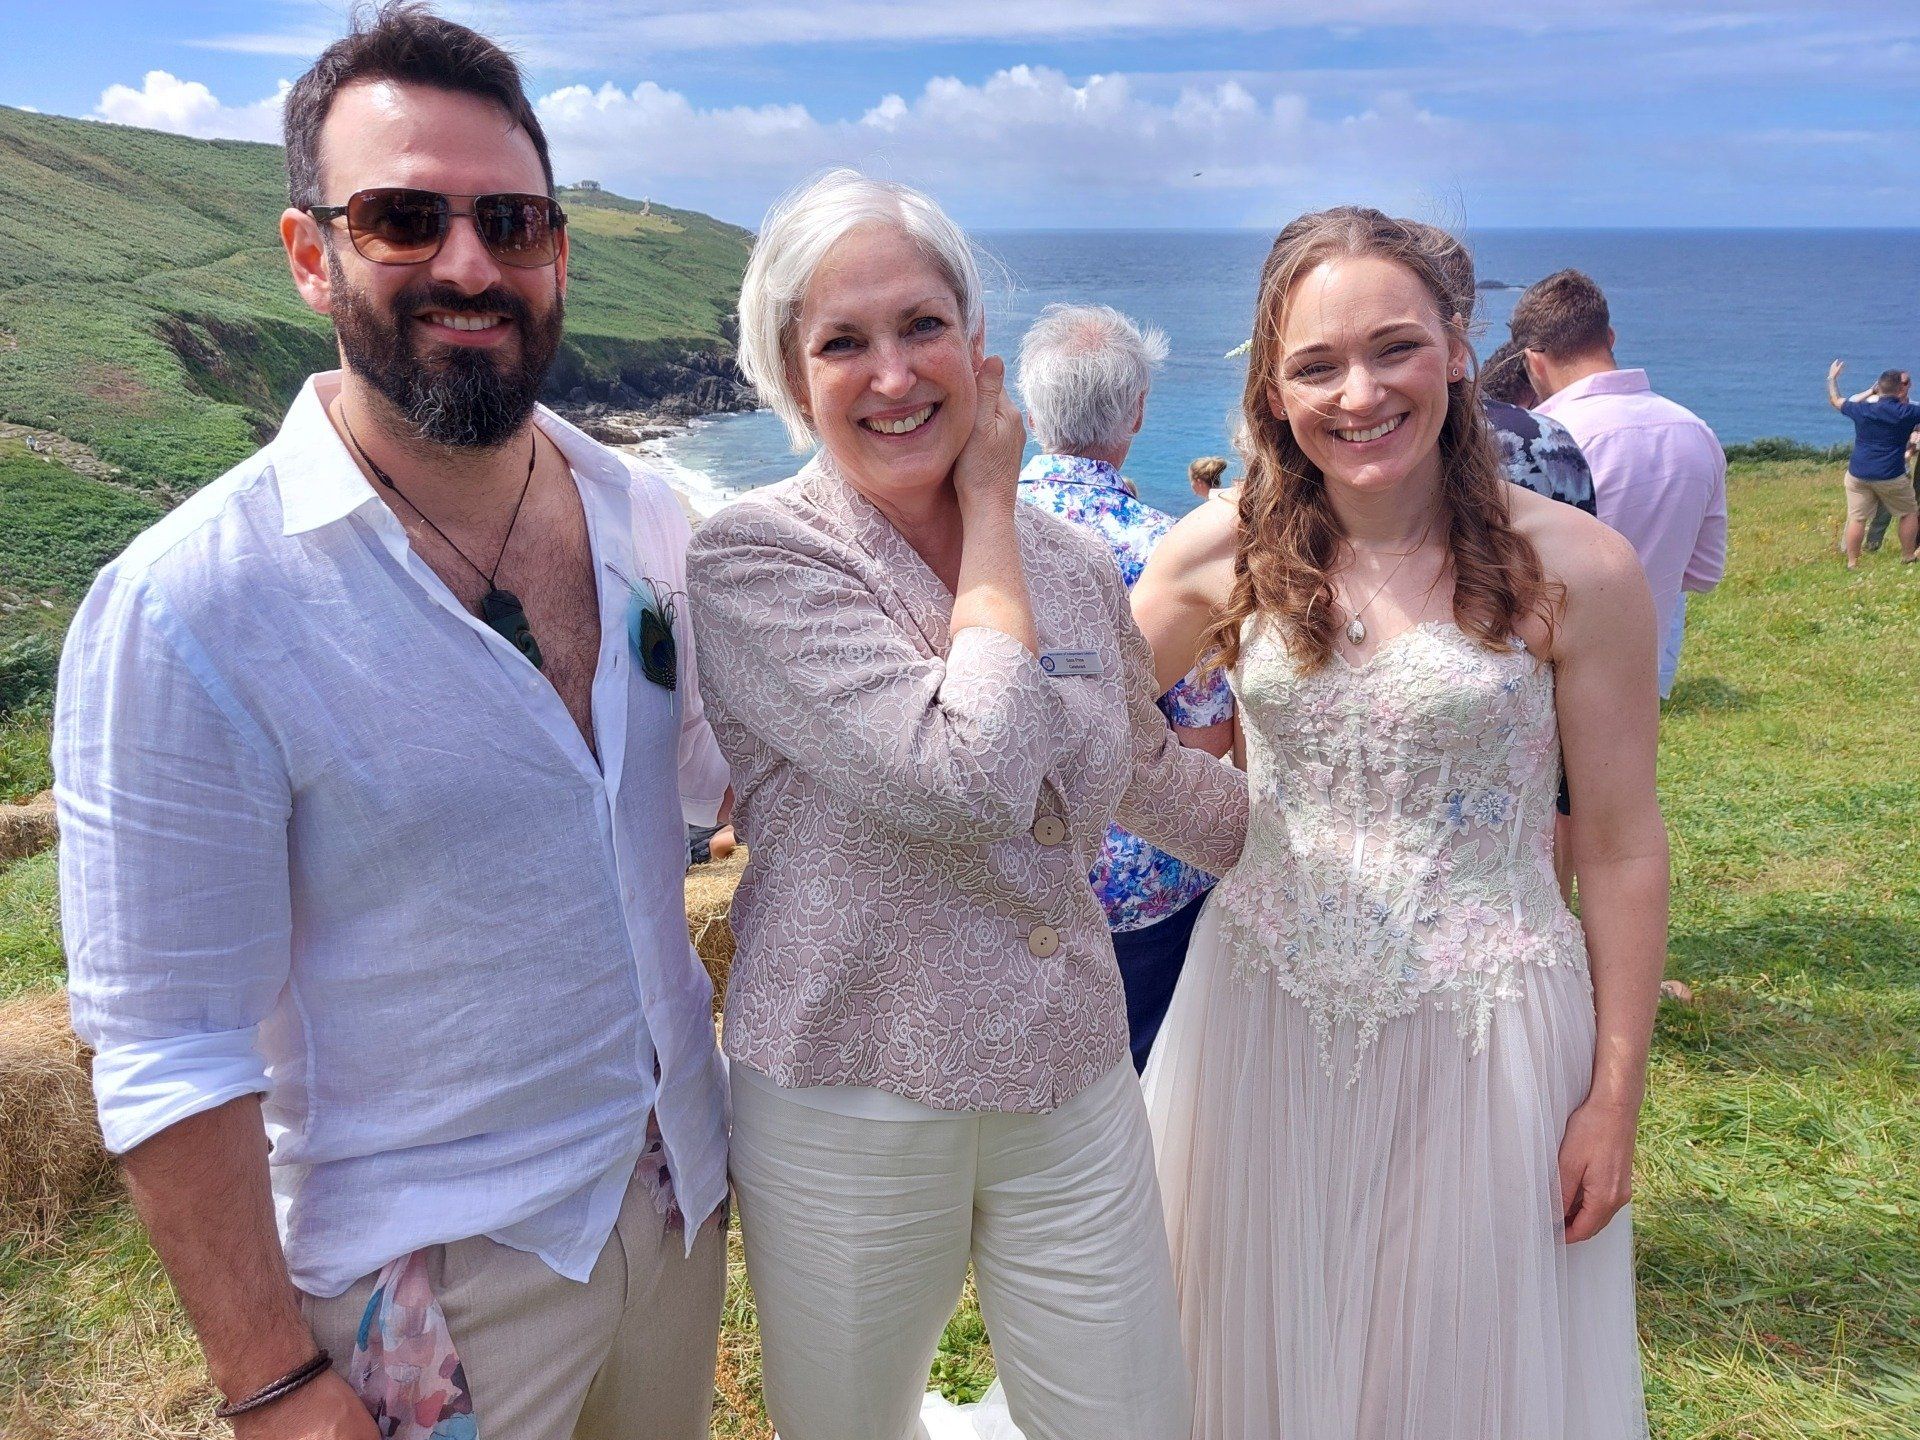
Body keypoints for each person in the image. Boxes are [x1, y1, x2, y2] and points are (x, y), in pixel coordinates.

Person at [53, 8, 733, 1438]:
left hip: (674, 1204)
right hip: (429, 1290)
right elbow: (169, 1043)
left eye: (513, 220)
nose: (470, 263)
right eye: (405, 217)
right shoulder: (192, 607)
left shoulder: (645, 515)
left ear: (557, 249)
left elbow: (706, 802)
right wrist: (274, 1384)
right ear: (312, 256)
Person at [686, 170, 1248, 1440]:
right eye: (843, 342)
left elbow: (1138, 768)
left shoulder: (1065, 558)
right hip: (854, 1085)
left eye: (922, 325)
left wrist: (1323, 847)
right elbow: (970, 778)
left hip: (1069, 1069)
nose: (893, 374)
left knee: (1131, 1419)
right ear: (790, 372)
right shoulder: (757, 557)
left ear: (975, 341)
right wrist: (994, 505)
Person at [1132, 208, 1665, 1438]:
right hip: (1255, 1016)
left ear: (1459, 349)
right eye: (1317, 365)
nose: (1359, 394)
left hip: (1487, 1041)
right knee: (1236, 1351)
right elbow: (1068, 728)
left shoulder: (1577, 569)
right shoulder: (1221, 550)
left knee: (1442, 1372)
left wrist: (1615, 1094)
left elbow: (1626, 845)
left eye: (1395, 348)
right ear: (1274, 383)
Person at [1012, 302, 1235, 1070]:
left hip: (1004, 881)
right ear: (1138, 413)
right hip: (1145, 889)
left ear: (1030, 410)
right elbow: (1206, 741)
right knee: (1138, 1093)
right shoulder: (1174, 551)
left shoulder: (968, 542)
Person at [1513, 268, 1726, 700]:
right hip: (1645, 671)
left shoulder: (1544, 441)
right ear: (1610, 337)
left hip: (1544, 677)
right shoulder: (1696, 431)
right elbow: (1703, 572)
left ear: (1533, 361)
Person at [1826, 361, 1919, 566]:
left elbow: (1835, 400)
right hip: (1890, 474)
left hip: (1857, 473)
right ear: (1900, 389)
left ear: (1879, 387)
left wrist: (1832, 378)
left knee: (1857, 518)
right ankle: (1908, 556)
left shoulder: (1862, 410)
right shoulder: (1908, 413)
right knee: (1909, 512)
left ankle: (1852, 562)